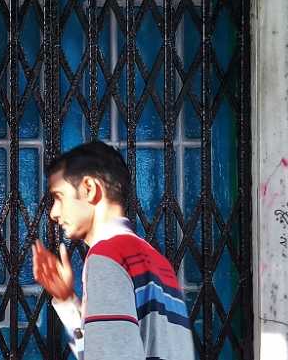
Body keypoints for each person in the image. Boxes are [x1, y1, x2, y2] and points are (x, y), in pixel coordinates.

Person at [32, 141, 195, 360]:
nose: (53, 212)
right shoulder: (157, 261)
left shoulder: (107, 257)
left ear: (89, 188)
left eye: (59, 197)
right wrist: (67, 300)